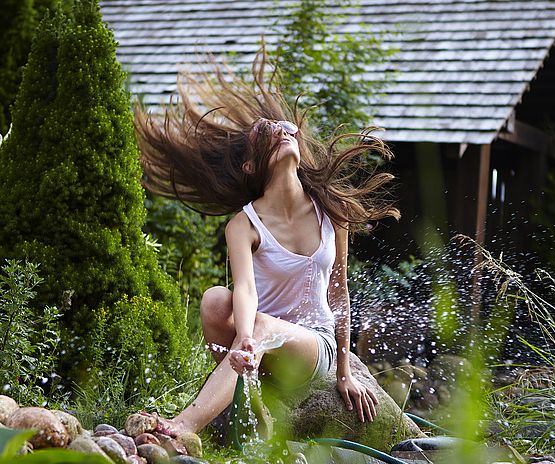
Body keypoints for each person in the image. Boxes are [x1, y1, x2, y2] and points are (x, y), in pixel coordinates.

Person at [133, 51, 399, 436]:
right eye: (269, 132)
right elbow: (244, 290)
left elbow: (338, 292)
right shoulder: (243, 225)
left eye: (287, 129)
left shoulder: (332, 212)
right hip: (257, 338)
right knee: (213, 300)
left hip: (311, 347)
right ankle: (249, 394)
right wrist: (244, 338)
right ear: (250, 165)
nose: (283, 132)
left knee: (259, 326)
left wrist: (345, 371)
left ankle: (183, 425)